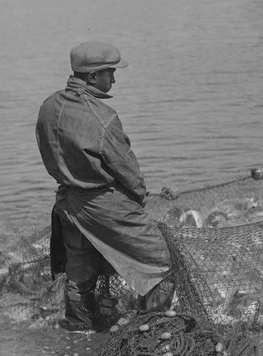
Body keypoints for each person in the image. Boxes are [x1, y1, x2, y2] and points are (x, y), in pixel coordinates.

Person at [36, 41, 174, 332]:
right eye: (110, 72)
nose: (113, 78)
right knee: (160, 264)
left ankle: (80, 337)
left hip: (68, 203)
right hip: (103, 204)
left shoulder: (48, 106)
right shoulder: (103, 118)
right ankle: (149, 335)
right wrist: (137, 200)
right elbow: (129, 173)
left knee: (80, 275)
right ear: (92, 77)